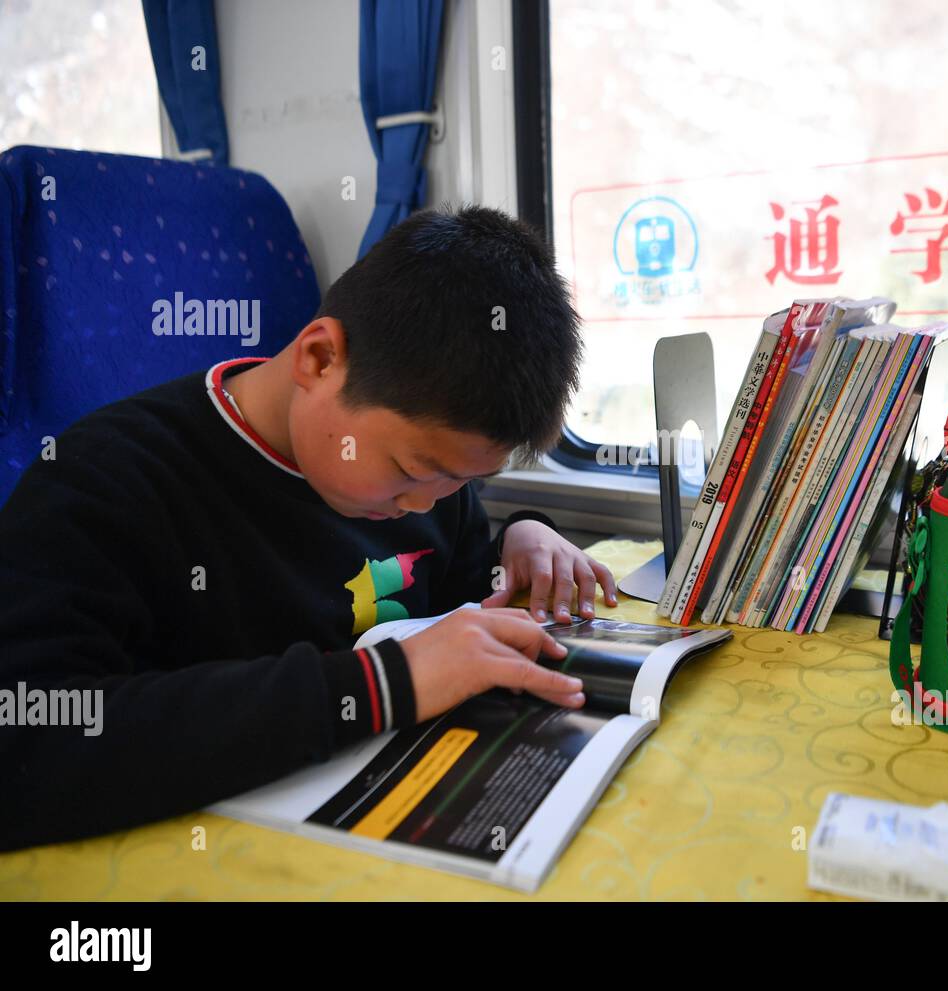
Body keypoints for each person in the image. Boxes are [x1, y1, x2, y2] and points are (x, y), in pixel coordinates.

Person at [0, 205, 618, 850]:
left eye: (461, 483)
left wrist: (520, 537)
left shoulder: (424, 489)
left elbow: (453, 604)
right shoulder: (108, 479)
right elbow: (28, 745)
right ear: (320, 359)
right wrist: (382, 686)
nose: (426, 506)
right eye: (413, 468)